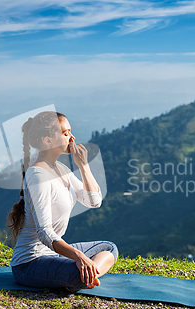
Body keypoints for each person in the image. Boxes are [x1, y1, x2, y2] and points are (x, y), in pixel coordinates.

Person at [7, 111, 118, 292]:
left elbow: (94, 201)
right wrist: (78, 256)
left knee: (109, 248)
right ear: (48, 141)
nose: (72, 137)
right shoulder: (38, 176)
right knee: (78, 270)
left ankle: (86, 277)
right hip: (30, 264)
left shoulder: (61, 169)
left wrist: (83, 166)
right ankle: (82, 277)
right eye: (66, 133)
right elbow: (45, 232)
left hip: (52, 255)